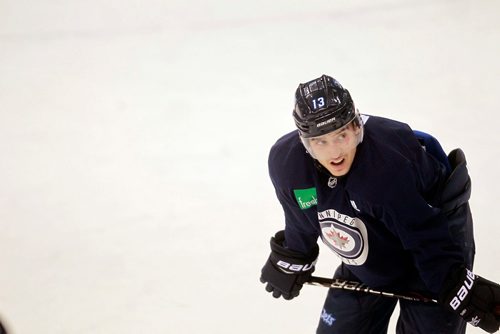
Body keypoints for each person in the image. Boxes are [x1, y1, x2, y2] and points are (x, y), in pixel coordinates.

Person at [259, 74, 500, 333]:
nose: (335, 151)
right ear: (305, 143)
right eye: (321, 141)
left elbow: (424, 232)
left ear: (356, 126)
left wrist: (452, 281)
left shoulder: (386, 166)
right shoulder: (288, 164)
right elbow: (301, 216)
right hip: (369, 250)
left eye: (341, 135)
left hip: (434, 239)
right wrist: (295, 255)